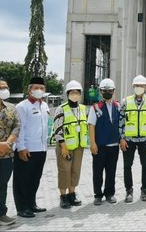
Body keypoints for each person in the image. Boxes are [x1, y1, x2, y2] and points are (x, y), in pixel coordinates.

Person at [119, 75, 146, 202]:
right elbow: (120, 121)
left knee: (145, 166)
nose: (139, 88)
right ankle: (129, 191)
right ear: (133, 87)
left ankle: (144, 190)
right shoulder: (125, 101)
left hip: (145, 140)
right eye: (137, 86)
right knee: (127, 166)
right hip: (129, 140)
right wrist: (122, 138)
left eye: (141, 86)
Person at [13, 77, 49, 218]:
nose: (39, 90)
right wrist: (21, 147)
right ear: (29, 89)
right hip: (26, 149)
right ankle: (22, 208)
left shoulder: (44, 106)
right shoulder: (22, 106)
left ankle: (31, 203)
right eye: (36, 88)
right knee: (22, 179)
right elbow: (18, 129)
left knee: (35, 178)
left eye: (41, 88)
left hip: (41, 149)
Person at [52, 80, 87, 209]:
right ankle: (63, 196)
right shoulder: (61, 108)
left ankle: (72, 193)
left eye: (77, 92)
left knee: (75, 171)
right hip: (65, 147)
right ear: (67, 94)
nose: (75, 94)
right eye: (72, 92)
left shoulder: (82, 108)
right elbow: (57, 128)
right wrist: (63, 146)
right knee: (64, 171)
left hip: (79, 146)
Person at [88, 78, 120, 205]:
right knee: (97, 171)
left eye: (110, 90)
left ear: (113, 91)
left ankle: (109, 193)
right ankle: (98, 195)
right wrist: (92, 143)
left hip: (114, 145)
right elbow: (91, 126)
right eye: (104, 90)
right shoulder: (95, 107)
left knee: (111, 171)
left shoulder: (118, 106)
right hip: (100, 145)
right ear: (100, 92)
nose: (107, 92)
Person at [0, 78, 20, 225]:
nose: (4, 90)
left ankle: (2, 214)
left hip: (6, 153)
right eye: (1, 88)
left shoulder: (11, 107)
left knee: (2, 184)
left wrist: (7, 143)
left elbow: (17, 126)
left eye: (5, 87)